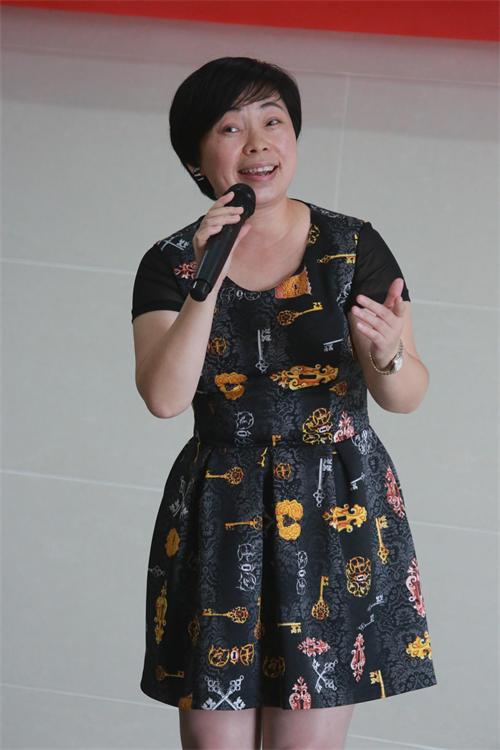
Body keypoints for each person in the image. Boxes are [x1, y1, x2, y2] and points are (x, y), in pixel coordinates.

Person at [131, 57, 438, 750]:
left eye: (273, 122)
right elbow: (164, 397)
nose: (258, 143)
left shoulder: (352, 245)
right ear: (196, 159)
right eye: (230, 128)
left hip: (335, 507)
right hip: (221, 512)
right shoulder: (171, 262)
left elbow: (406, 394)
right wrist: (205, 280)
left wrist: (390, 354)